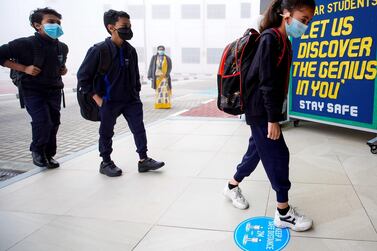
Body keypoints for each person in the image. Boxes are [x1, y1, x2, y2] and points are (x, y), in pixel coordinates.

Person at [223, 0, 316, 232]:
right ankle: (283, 213)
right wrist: (272, 119)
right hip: (260, 111)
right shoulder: (270, 38)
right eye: (303, 20)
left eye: (308, 21)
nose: (305, 25)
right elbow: (265, 82)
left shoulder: (284, 40)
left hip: (263, 109)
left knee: (255, 152)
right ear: (286, 14)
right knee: (278, 155)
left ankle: (231, 186)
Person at [77, 10, 164, 177]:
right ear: (111, 27)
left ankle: (143, 160)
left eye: (130, 26)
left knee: (139, 129)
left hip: (130, 100)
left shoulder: (130, 50)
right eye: (124, 26)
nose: (129, 29)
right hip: (109, 101)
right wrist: (97, 99)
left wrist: (136, 95)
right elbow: (83, 77)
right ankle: (106, 162)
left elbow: (134, 74)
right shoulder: (99, 50)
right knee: (106, 132)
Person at [0, 8, 68, 168]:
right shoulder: (25, 43)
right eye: (51, 22)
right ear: (37, 25)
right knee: (42, 121)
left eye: (58, 22)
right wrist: (24, 68)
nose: (56, 25)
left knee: (54, 122)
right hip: (33, 90)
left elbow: (61, 64)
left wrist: (63, 69)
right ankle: (37, 151)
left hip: (54, 90)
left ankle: (49, 154)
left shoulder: (62, 47)